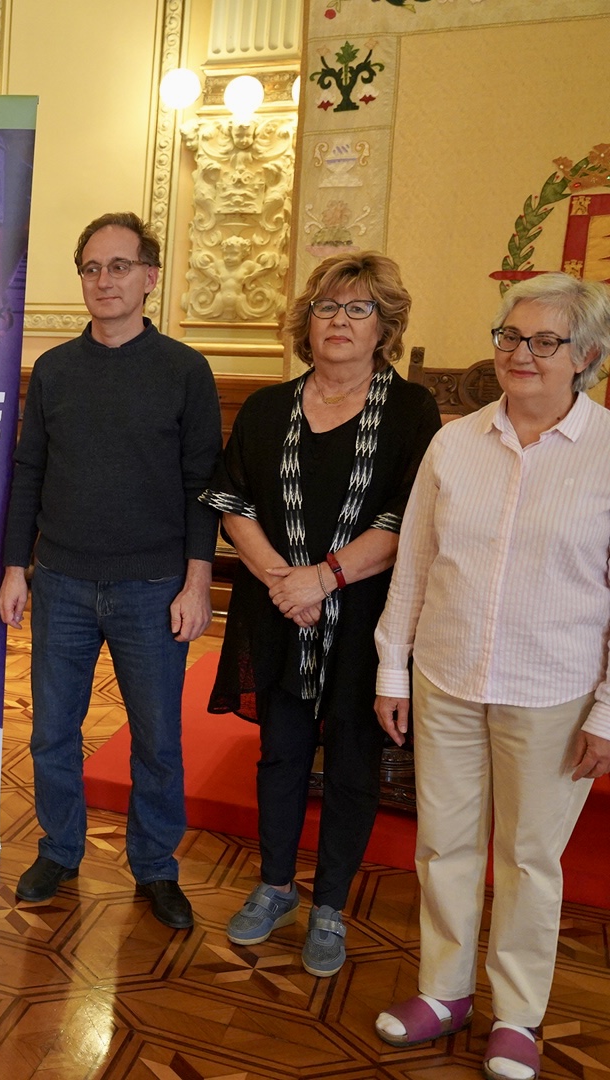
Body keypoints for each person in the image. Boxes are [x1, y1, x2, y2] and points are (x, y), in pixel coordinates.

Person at [372, 272, 610, 1080]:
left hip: (553, 690)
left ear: (586, 357)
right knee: (442, 844)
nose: (521, 354)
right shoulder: (455, 442)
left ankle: (516, 1015)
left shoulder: (607, 450)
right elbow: (415, 563)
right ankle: (444, 992)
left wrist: (607, 712)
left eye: (545, 341)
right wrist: (393, 669)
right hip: (448, 675)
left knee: (528, 860)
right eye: (510, 336)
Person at [200, 253, 440, 976]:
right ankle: (275, 885)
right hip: (279, 610)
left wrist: (324, 579)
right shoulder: (269, 407)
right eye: (327, 307)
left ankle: (330, 905)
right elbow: (233, 502)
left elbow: (409, 518)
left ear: (384, 326)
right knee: (280, 754)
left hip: (365, 617)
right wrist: (286, 582)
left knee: (353, 763)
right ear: (306, 323)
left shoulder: (411, 411)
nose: (339, 321)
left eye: (359, 309)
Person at [0, 212, 221, 929]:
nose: (104, 281)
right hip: (61, 581)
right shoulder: (56, 370)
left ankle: (155, 866)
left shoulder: (184, 371)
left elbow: (203, 487)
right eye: (91, 268)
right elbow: (29, 473)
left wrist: (197, 581)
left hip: (153, 588)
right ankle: (60, 849)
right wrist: (15, 567)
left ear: (149, 277)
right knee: (51, 734)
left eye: (119, 266)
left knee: (157, 741)